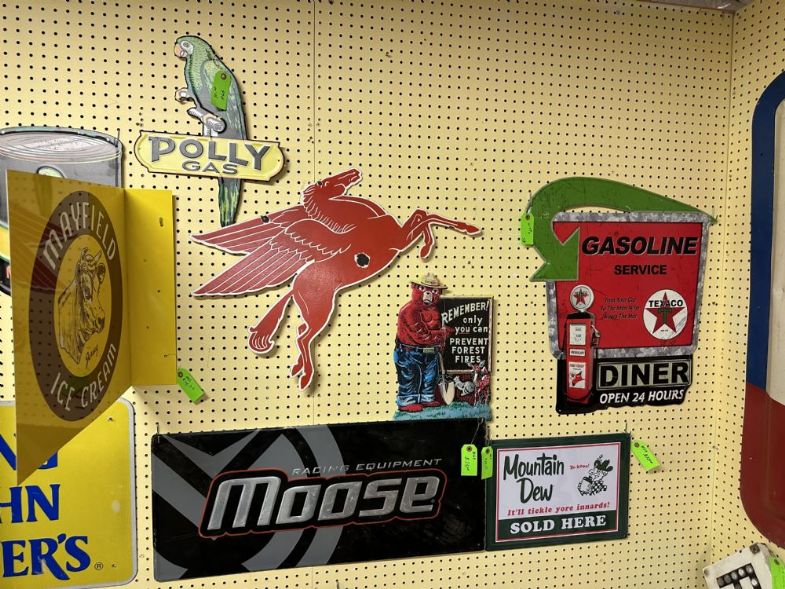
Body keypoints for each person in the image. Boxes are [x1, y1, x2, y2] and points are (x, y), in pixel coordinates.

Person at [394, 273, 454, 412]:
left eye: (434, 291)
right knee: (410, 377)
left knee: (430, 376)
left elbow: (433, 330)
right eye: (423, 289)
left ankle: (427, 398)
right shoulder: (409, 311)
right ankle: (407, 401)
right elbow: (421, 336)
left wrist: (439, 343)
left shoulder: (434, 310)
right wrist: (443, 334)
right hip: (409, 352)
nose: (428, 294)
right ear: (415, 288)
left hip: (430, 351)